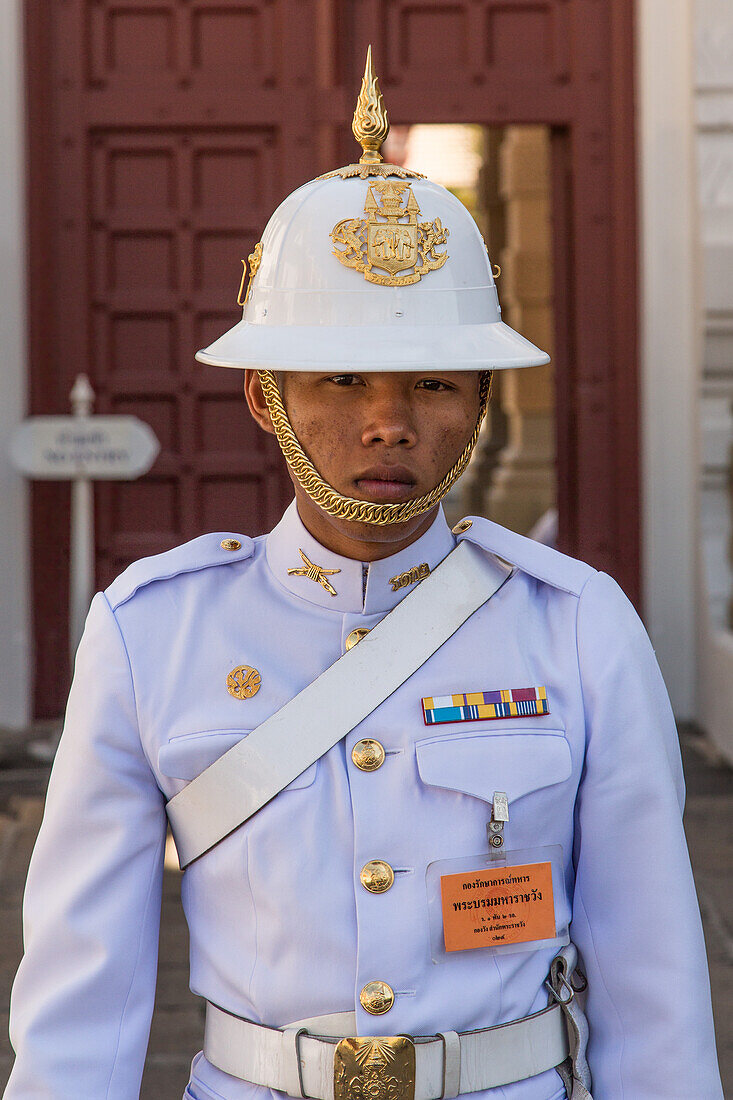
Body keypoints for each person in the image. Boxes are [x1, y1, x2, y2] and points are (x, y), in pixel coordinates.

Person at [6, 48, 723, 1100]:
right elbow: (80, 1007)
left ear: (481, 402)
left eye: (433, 381)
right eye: (341, 376)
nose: (388, 419)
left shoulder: (574, 626)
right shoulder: (154, 633)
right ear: (264, 397)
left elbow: (654, 992)